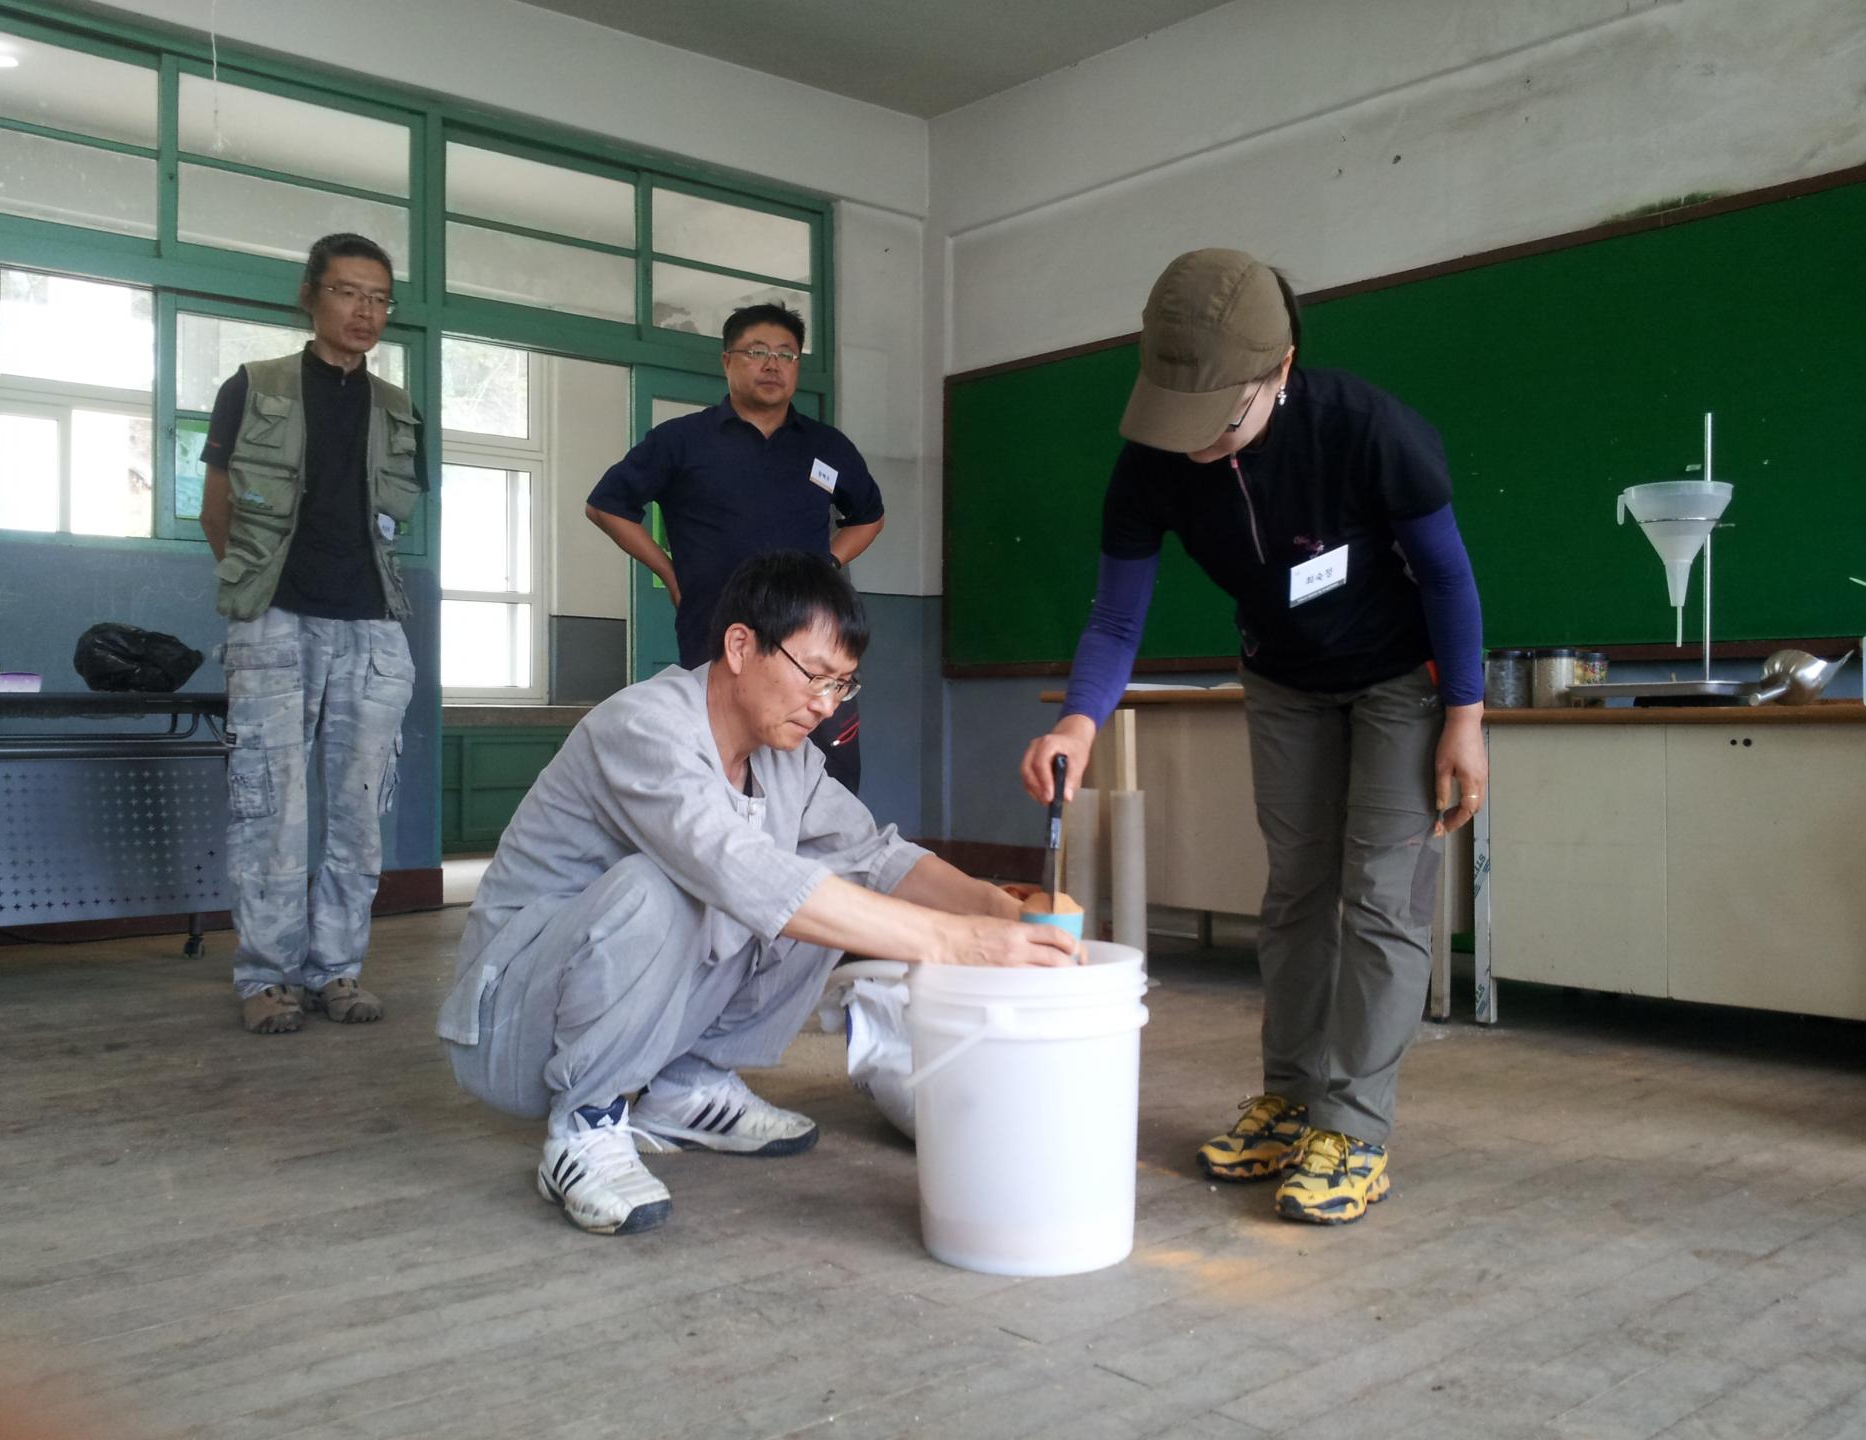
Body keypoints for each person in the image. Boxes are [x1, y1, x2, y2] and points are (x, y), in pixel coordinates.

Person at [1019, 249, 1486, 1225]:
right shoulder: (1152, 458)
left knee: (1381, 898)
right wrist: (1078, 720)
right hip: (1282, 679)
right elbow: (1116, 616)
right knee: (1296, 892)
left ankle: (1354, 1128)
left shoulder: (1369, 430)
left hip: (1399, 680)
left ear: (1281, 370)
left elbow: (1448, 577)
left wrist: (1465, 718)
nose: (1193, 443)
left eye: (1219, 418)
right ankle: (1292, 1098)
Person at [439, 551, 1074, 1237]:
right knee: (666, 887)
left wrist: (1001, 909)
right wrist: (958, 943)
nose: (826, 705)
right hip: (514, 1026)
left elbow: (873, 856)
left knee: (832, 879)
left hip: (639, 1018)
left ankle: (686, 1087)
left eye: (842, 685)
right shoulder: (645, 727)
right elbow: (736, 870)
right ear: (741, 646)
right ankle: (585, 1124)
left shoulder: (787, 760)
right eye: (815, 677)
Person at [199, 233, 426, 1036]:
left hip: (373, 627)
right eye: (347, 292)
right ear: (310, 295)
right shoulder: (253, 387)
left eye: (379, 298)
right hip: (277, 621)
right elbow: (216, 511)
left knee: (359, 812)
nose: (365, 311)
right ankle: (266, 976)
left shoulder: (398, 407)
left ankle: (336, 969)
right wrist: (260, 595)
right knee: (271, 805)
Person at [586, 303, 882, 793]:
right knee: (721, 779)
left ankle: (821, 848)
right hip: (715, 634)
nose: (773, 364)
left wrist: (827, 563)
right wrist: (669, 572)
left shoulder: (827, 447)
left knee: (827, 783)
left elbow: (869, 517)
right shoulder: (682, 440)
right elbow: (605, 506)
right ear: (727, 361)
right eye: (757, 352)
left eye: (786, 354)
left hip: (813, 646)